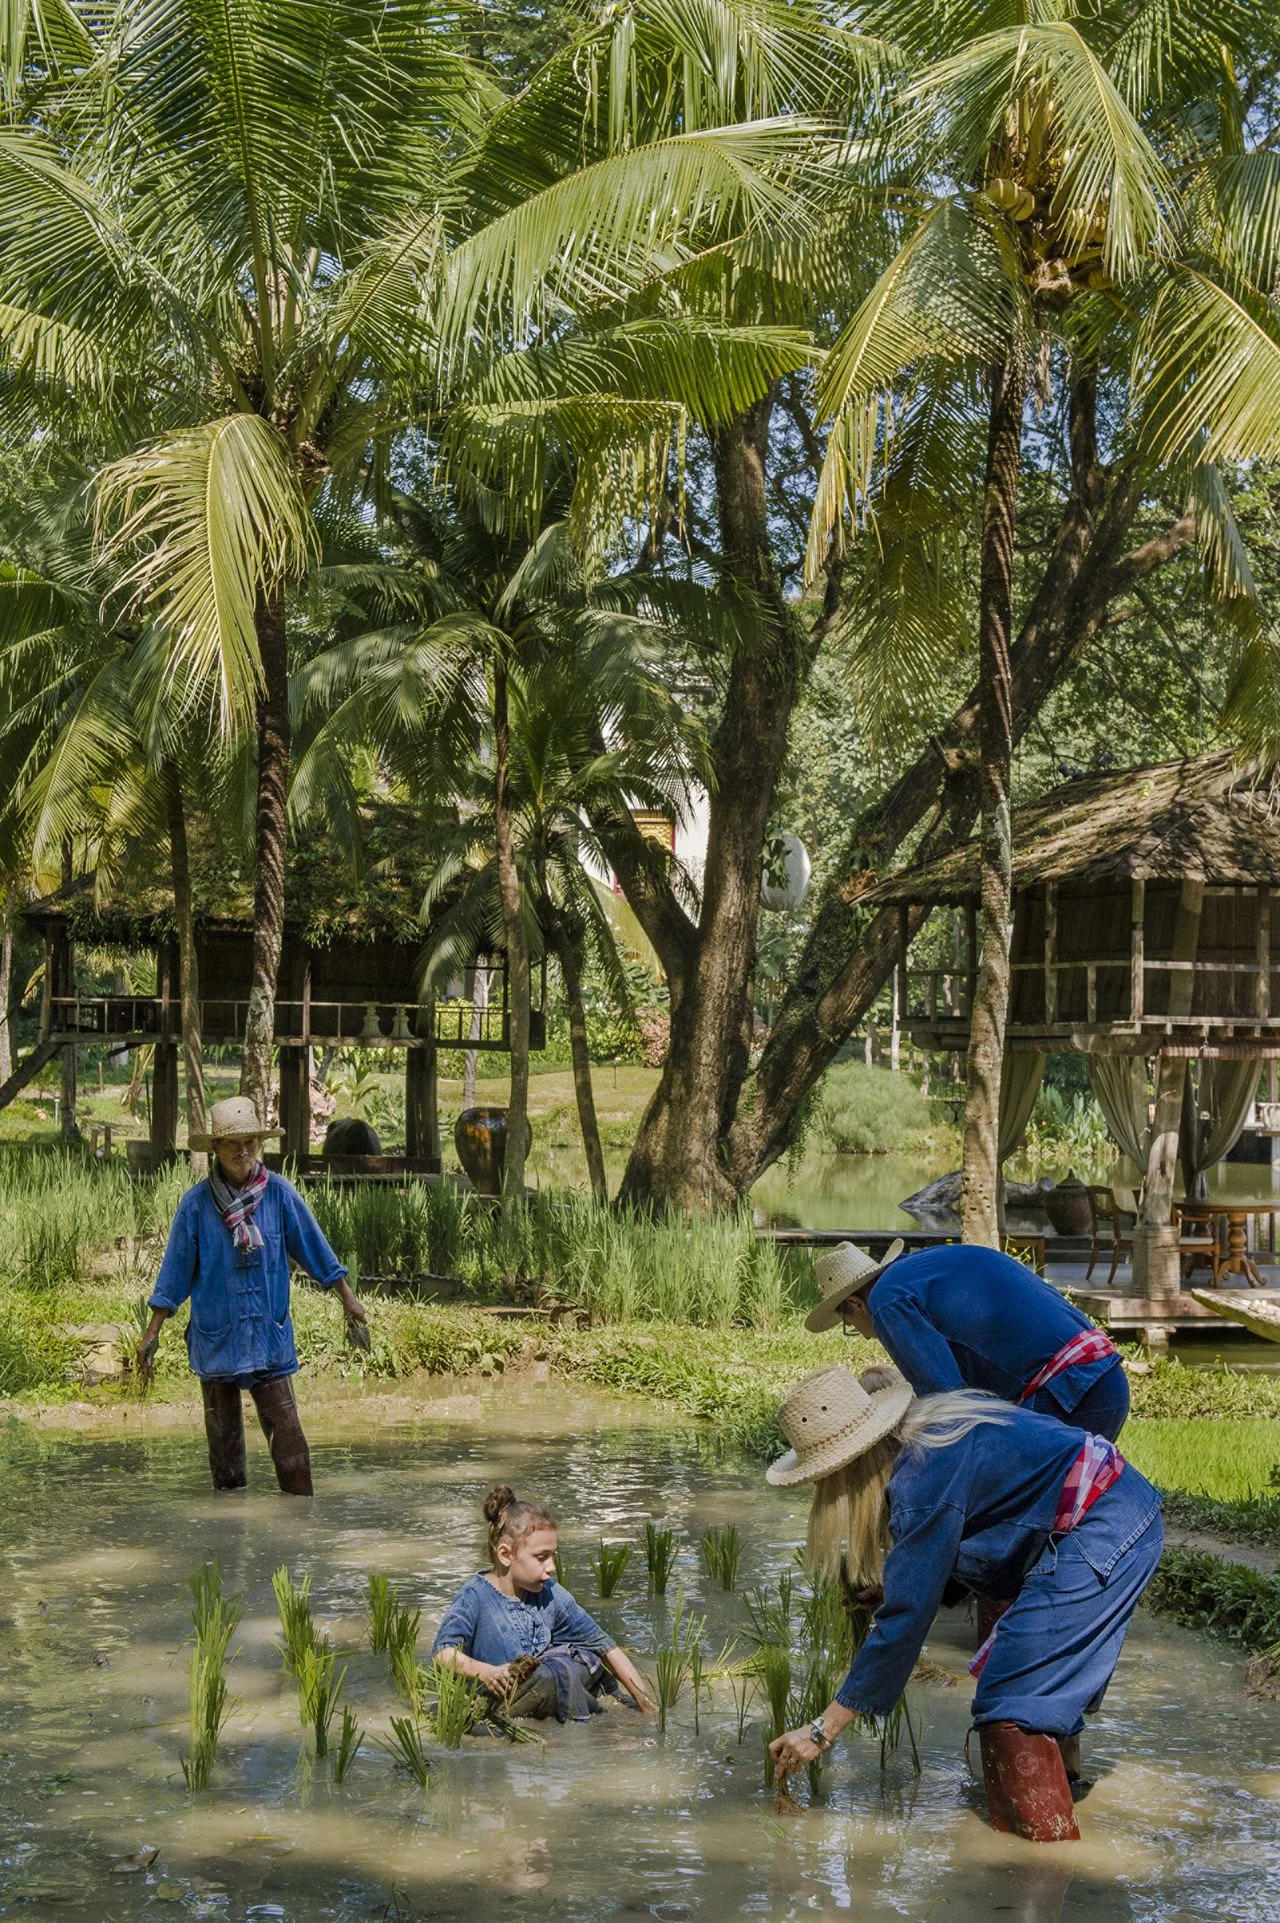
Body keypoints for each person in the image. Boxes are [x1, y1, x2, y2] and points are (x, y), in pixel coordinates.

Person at [765, 1365, 1163, 1841]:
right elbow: (966, 1538)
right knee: (1033, 1682)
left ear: (850, 1467)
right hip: (1109, 1508)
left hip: (1106, 1522)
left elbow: (907, 1620)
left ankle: (1041, 1857)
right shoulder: (928, 1441)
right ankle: (1064, 1794)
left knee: (1012, 1702)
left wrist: (821, 1730)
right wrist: (895, 1589)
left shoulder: (921, 1479)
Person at [136, 1095, 366, 1496]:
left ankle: (299, 1519)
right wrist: (151, 1333)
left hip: (267, 1335)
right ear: (215, 1150)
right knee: (225, 1454)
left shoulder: (278, 1193)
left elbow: (314, 1247)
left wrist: (347, 1298)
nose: (242, 1151)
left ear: (259, 1144)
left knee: (290, 1444)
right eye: (231, 1143)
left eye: (250, 1142)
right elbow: (174, 1274)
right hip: (218, 1337)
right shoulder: (195, 1206)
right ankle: (229, 1532)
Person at [807, 1240, 1128, 1440]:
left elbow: (950, 1404)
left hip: (1072, 1393)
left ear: (856, 1304)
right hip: (1101, 1377)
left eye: (849, 1323)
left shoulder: (887, 1301)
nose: (864, 1334)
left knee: (1001, 1512)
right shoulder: (924, 1269)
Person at [433, 1484, 655, 1722]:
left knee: (583, 1661)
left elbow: (605, 1647)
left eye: (552, 1556)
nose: (551, 1567)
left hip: (544, 1687)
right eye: (541, 1558)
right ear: (506, 1555)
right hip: (499, 1700)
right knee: (550, 1676)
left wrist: (649, 1708)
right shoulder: (474, 1597)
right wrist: (487, 1673)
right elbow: (443, 1653)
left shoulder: (550, 1594)